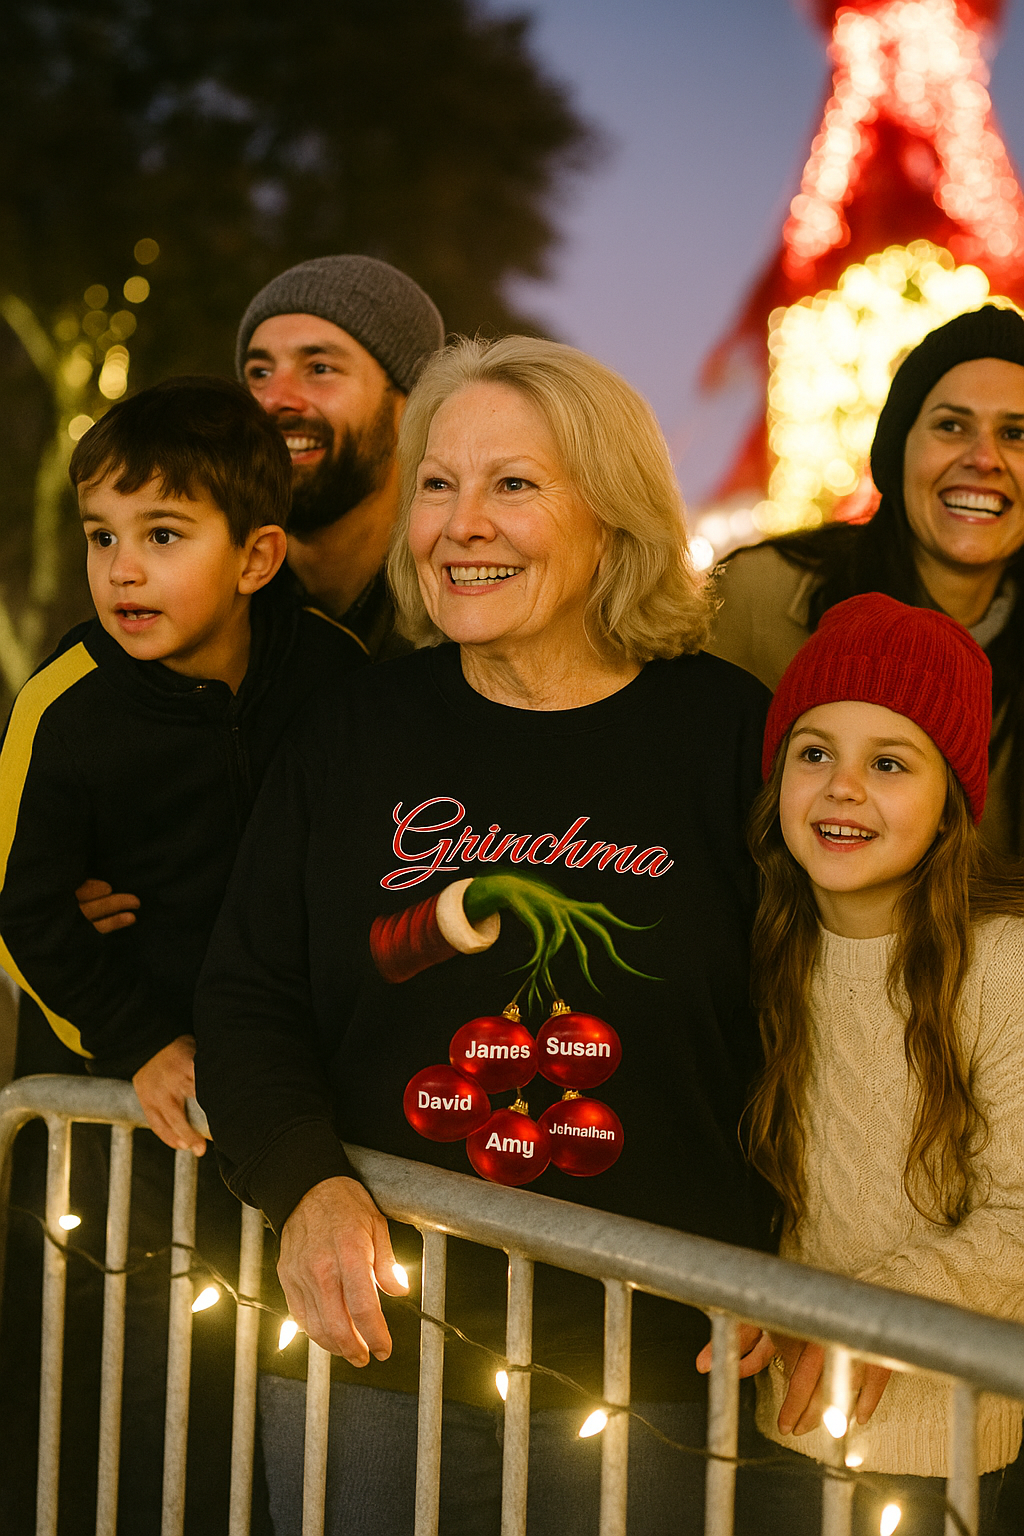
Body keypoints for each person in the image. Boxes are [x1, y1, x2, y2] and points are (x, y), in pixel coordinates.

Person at [194, 335, 774, 1535]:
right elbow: (250, 994)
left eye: (512, 484)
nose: (462, 523)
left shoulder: (730, 738)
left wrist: (795, 1251)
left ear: (611, 513)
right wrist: (303, 1187)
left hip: (666, 1364)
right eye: (438, 486)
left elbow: (815, 1020)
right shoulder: (353, 730)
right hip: (382, 1354)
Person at [0, 376, 366, 1535]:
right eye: (105, 536)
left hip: (295, 1111)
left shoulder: (340, 679)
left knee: (273, 1410)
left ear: (257, 558)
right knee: (119, 1405)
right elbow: (31, 911)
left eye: (163, 537)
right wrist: (141, 1042)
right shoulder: (70, 706)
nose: (122, 570)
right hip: (128, 1132)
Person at [721, 594, 1024, 1535]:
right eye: (815, 754)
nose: (843, 788)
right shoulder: (766, 946)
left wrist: (874, 1313)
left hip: (945, 1456)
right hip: (775, 1434)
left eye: (889, 763)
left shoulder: (1003, 964)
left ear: (949, 805)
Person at [708, 304, 1024, 859]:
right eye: (951, 426)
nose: (983, 458)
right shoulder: (762, 601)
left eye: (1017, 434)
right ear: (898, 448)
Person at [236, 254, 445, 657]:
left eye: (319, 368)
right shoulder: (203, 610)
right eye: (259, 373)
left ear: (411, 405)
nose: (274, 399)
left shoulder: (465, 628)